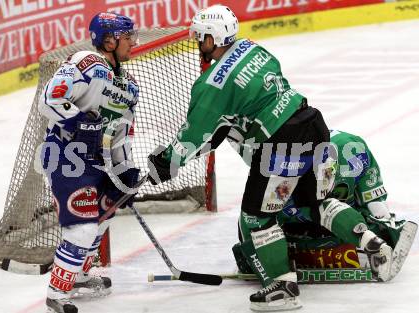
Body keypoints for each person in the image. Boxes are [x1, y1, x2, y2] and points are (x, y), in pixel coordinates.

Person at [147, 4, 393, 312]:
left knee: (256, 217)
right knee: (311, 201)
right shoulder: (252, 48)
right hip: (313, 123)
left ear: (212, 37)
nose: (199, 44)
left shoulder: (212, 84)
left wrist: (165, 163)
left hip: (282, 141)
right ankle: (373, 244)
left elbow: (194, 136)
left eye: (201, 37)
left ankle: (283, 288)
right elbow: (240, 109)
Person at [38, 12, 140, 313]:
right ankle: (57, 293)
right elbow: (50, 100)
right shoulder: (86, 63)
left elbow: (122, 132)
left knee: (104, 215)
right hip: (67, 155)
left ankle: (80, 275)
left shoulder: (130, 86)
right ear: (108, 41)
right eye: (127, 37)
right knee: (81, 229)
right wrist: (80, 118)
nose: (133, 42)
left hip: (100, 160)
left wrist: (125, 169)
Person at [233, 130, 417, 280]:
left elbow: (374, 202)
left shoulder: (353, 150)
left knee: (366, 224)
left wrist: (383, 226)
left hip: (345, 220)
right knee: (268, 245)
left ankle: (368, 242)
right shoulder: (282, 179)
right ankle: (358, 247)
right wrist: (253, 253)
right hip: (296, 225)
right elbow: (252, 222)